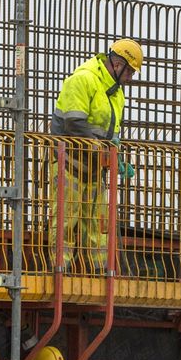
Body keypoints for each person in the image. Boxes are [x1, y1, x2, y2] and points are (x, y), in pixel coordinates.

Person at [48, 38, 142, 272]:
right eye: (130, 71)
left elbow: (112, 131)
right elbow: (74, 123)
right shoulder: (83, 79)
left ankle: (100, 272)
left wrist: (115, 153)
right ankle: (60, 270)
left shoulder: (116, 93)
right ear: (118, 64)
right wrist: (100, 148)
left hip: (93, 166)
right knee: (66, 218)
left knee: (98, 224)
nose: (130, 78)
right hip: (69, 162)